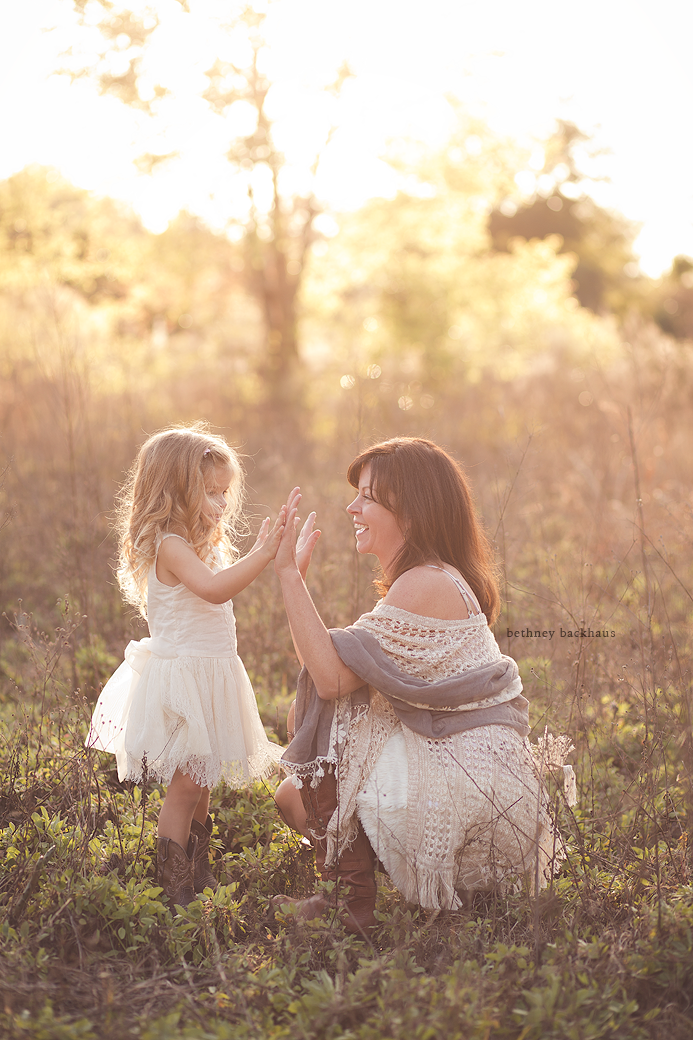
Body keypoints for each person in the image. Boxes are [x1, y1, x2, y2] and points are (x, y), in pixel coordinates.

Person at [273, 437, 566, 935]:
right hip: (475, 779)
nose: (353, 507)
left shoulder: (427, 582)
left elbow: (328, 679)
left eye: (367, 496)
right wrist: (292, 580)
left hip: (474, 790)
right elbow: (335, 675)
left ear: (409, 510)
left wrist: (284, 572)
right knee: (306, 754)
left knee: (319, 737)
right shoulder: (428, 579)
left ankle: (351, 905)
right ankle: (351, 893)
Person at [87, 425, 286, 906]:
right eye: (210, 493)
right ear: (174, 490)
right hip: (185, 678)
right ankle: (174, 887)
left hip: (212, 671)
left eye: (224, 493)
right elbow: (215, 590)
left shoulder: (200, 542)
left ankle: (197, 873)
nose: (221, 504)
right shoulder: (171, 544)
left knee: (204, 781)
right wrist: (263, 553)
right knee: (187, 783)